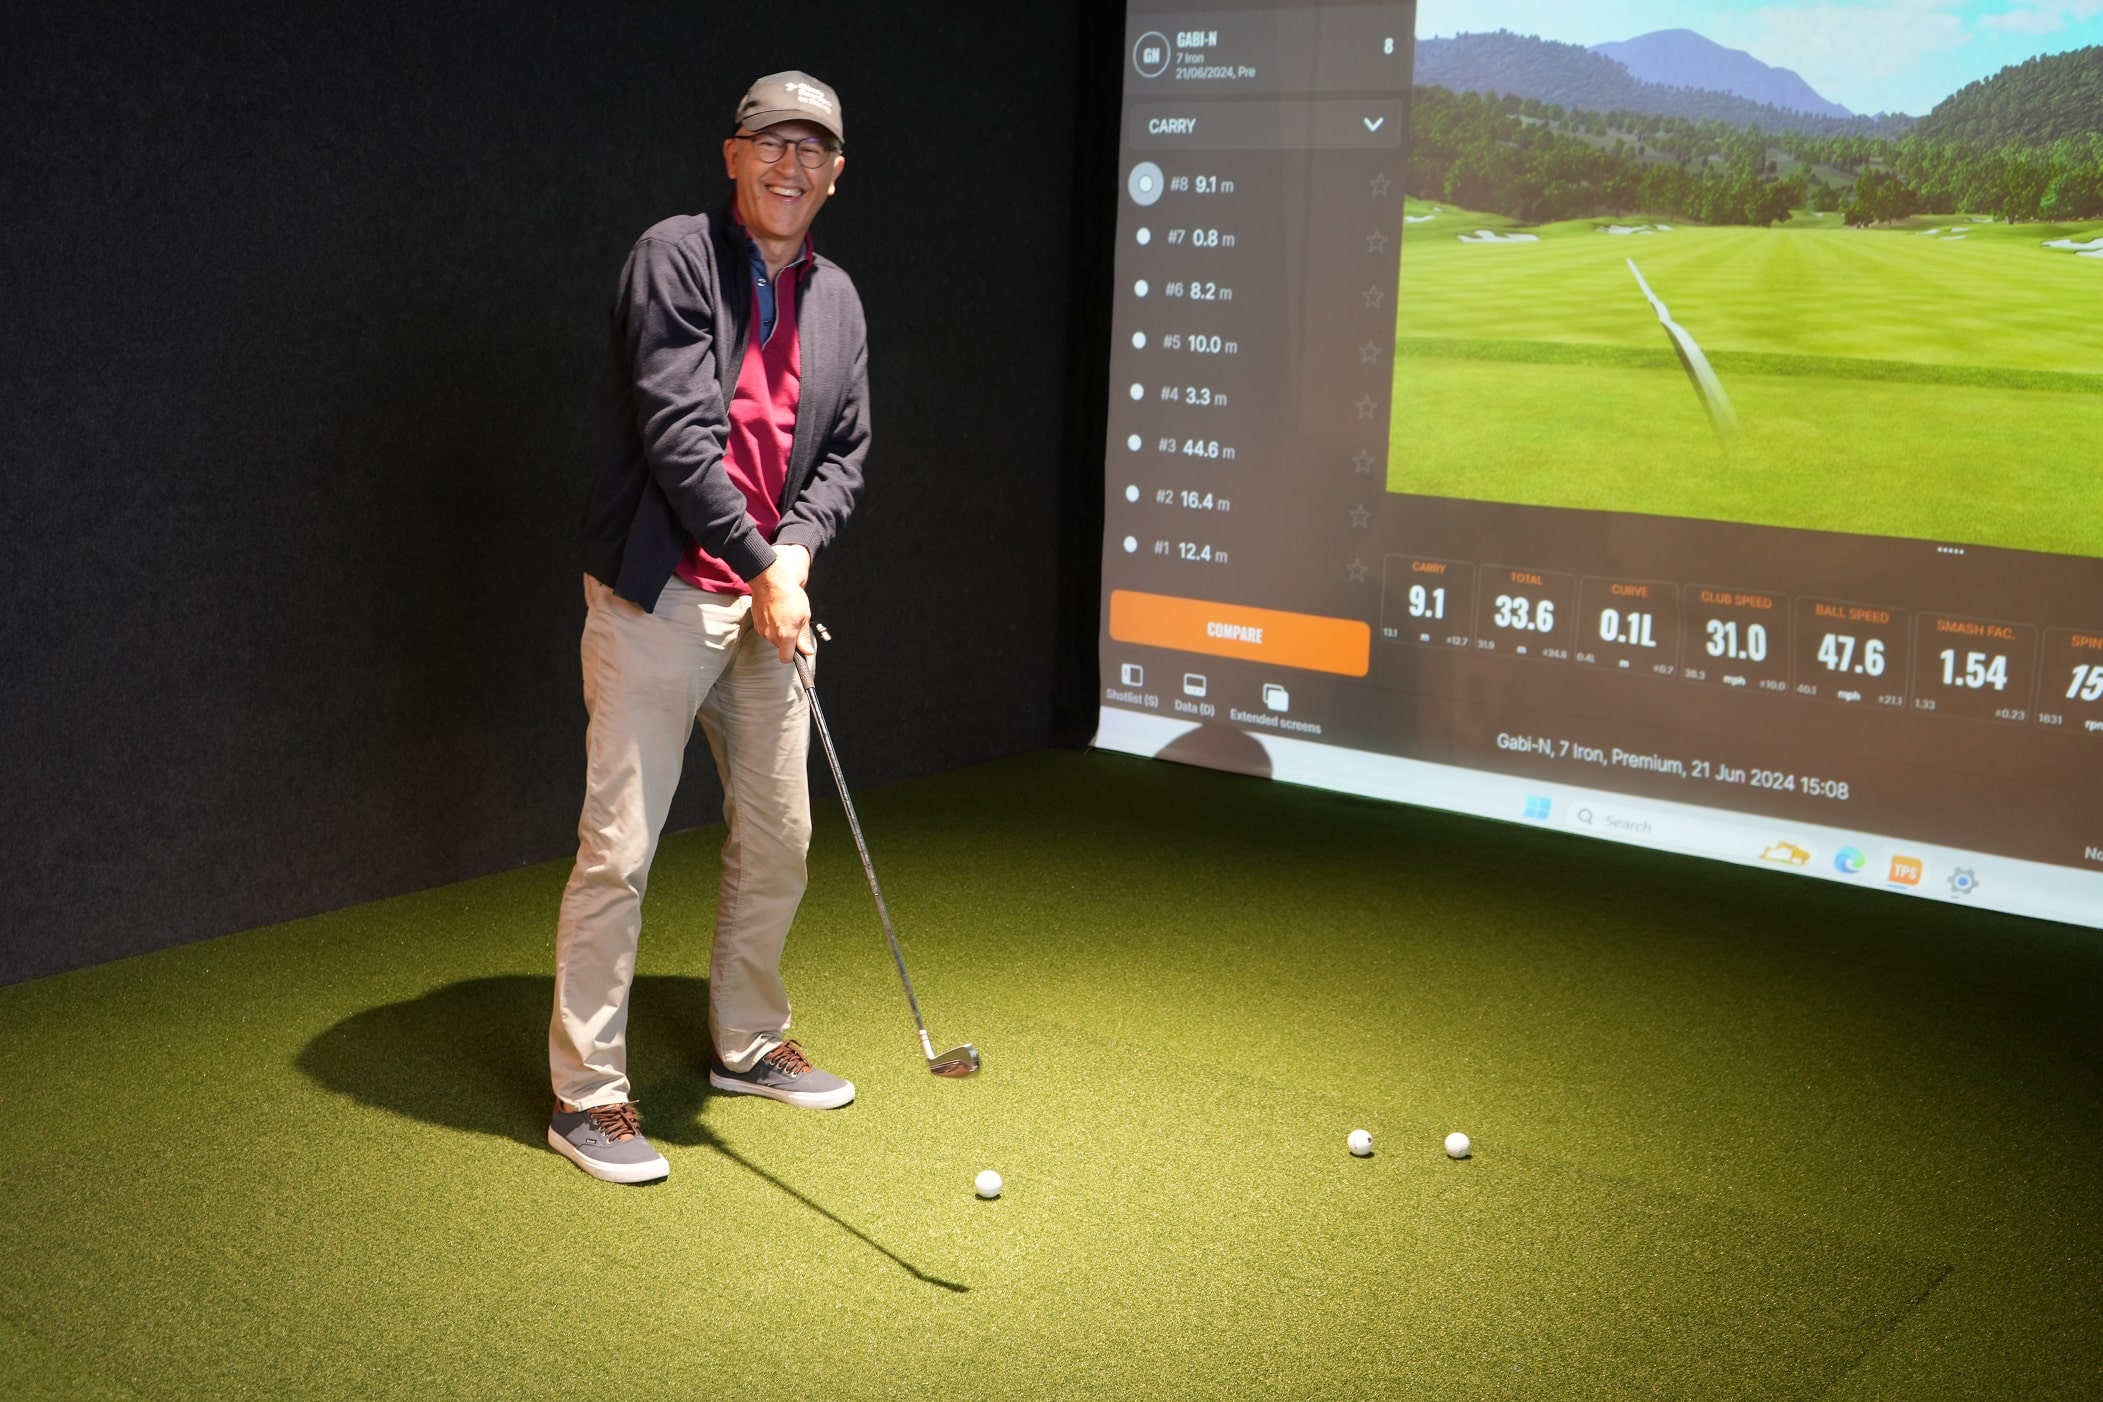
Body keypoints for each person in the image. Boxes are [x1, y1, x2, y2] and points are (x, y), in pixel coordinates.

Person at [546, 71, 870, 1184]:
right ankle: (586, 1097)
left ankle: (750, 1043)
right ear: (733, 155)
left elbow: (843, 455)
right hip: (663, 593)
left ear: (836, 173)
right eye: (770, 142)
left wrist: (795, 556)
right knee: (620, 851)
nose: (790, 164)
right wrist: (763, 563)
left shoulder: (839, 300)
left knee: (781, 836)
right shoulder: (675, 256)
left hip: (767, 596)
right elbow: (681, 438)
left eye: (811, 149)